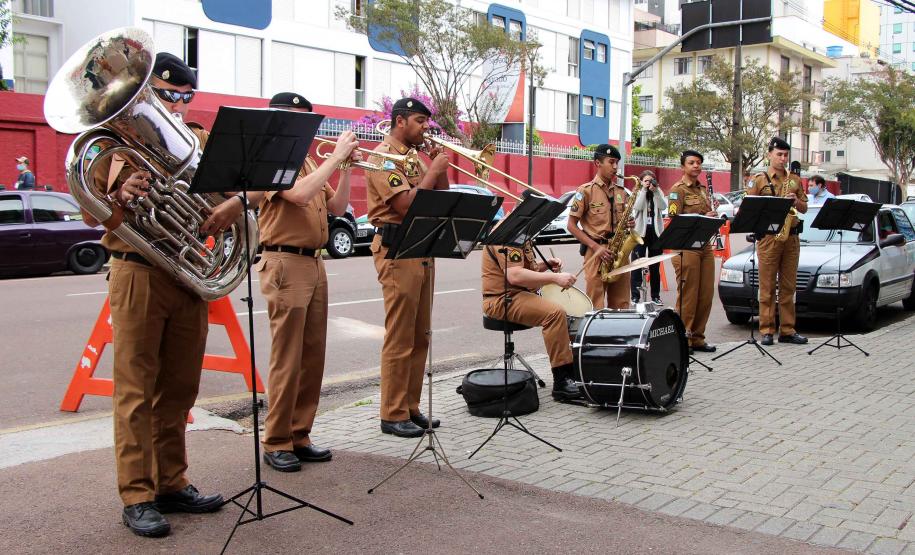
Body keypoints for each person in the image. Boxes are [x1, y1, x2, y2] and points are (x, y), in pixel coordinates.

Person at [81, 52, 224, 538]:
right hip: (137, 270)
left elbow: (232, 195)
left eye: (185, 98)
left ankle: (172, 482)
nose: (177, 107)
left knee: (181, 387)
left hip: (186, 273)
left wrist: (225, 211)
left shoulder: (197, 142)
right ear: (145, 95)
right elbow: (88, 215)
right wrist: (118, 198)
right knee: (136, 390)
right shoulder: (109, 147)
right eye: (168, 97)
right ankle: (137, 494)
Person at [205, 92, 361, 472]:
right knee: (288, 358)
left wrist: (345, 170)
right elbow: (299, 194)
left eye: (306, 119)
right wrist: (337, 157)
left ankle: (300, 433)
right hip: (285, 261)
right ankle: (276, 440)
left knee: (312, 357)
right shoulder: (273, 159)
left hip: (315, 262)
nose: (302, 126)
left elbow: (338, 208)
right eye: (294, 118)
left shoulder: (308, 159)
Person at [365, 97, 450, 438]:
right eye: (419, 121)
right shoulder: (381, 158)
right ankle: (392, 412)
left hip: (422, 247)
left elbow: (440, 196)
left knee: (420, 335)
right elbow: (404, 205)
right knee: (400, 336)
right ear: (400, 121)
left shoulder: (414, 159)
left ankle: (410, 406)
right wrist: (431, 172)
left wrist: (436, 166)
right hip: (397, 247)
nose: (425, 127)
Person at [481, 240, 581, 401]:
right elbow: (515, 276)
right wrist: (554, 277)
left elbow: (522, 268)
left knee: (569, 310)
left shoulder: (520, 233)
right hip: (502, 298)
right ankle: (562, 382)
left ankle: (574, 369)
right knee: (554, 313)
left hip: (520, 294)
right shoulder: (508, 235)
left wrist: (544, 265)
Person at [747, 137, 809, 346]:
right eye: (779, 155)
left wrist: (796, 200)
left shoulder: (794, 179)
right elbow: (749, 207)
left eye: (785, 155)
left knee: (788, 286)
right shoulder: (759, 180)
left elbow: (804, 208)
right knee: (766, 286)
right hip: (769, 239)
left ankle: (788, 330)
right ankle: (766, 329)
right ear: (770, 155)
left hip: (791, 238)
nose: (783, 159)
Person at [566, 144, 634, 310]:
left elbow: (623, 221)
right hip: (596, 251)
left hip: (619, 251)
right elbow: (571, 225)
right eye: (611, 162)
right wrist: (596, 247)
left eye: (617, 162)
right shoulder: (585, 191)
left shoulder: (621, 191)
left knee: (622, 304)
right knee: (595, 304)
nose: (615, 167)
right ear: (598, 163)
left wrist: (629, 224)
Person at [666, 150, 717, 353]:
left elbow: (705, 214)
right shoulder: (677, 190)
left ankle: (698, 337)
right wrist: (701, 214)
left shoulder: (703, 189)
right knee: (688, 294)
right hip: (685, 246)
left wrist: (710, 215)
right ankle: (683, 338)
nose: (696, 166)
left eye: (699, 163)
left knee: (706, 293)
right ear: (683, 167)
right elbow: (674, 219)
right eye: (691, 162)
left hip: (703, 245)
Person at [629, 169, 667, 304]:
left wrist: (655, 191)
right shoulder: (638, 192)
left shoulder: (658, 191)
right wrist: (644, 190)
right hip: (640, 233)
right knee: (636, 265)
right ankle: (635, 296)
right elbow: (637, 207)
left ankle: (655, 296)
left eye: (651, 180)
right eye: (646, 181)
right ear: (641, 182)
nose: (649, 183)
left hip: (655, 233)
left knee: (655, 267)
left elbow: (663, 206)